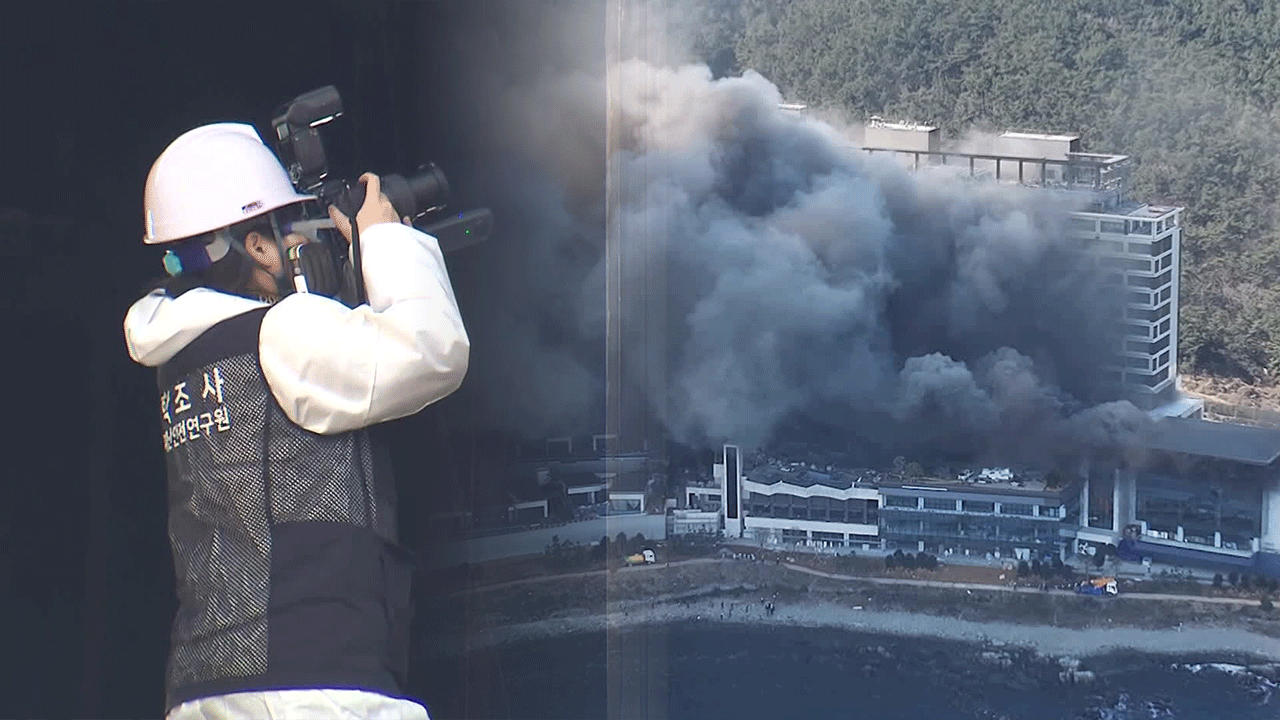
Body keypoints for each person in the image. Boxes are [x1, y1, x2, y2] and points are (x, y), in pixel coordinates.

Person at [123, 122, 470, 719]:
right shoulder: (280, 333)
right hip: (316, 685)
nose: (297, 247)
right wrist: (385, 241)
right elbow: (432, 351)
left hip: (208, 687)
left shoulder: (182, 356)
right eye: (288, 233)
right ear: (256, 246)